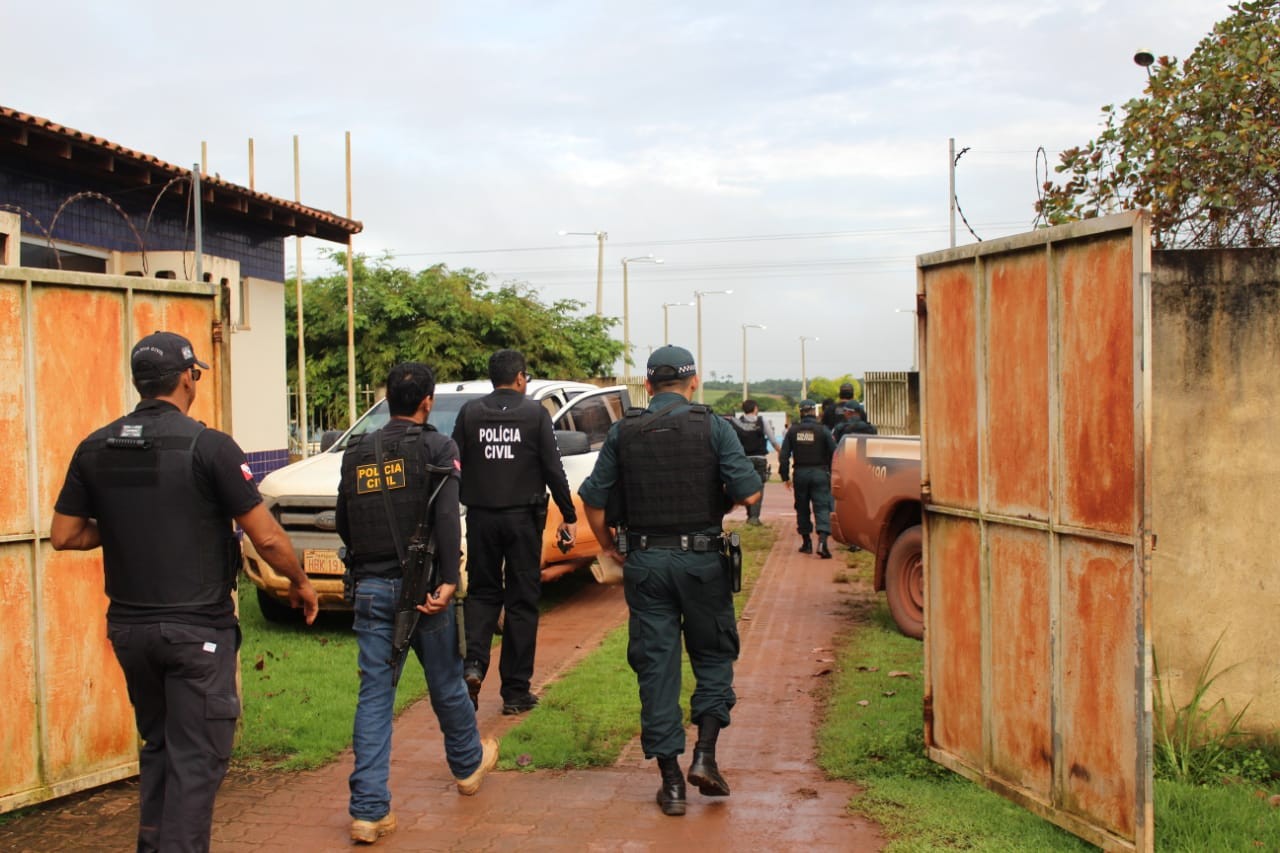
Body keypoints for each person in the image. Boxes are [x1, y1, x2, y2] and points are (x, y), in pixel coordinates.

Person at [50, 330, 320, 853]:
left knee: (161, 747)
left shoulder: (95, 446)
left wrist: (127, 523)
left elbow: (65, 534)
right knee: (197, 760)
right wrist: (301, 582)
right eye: (194, 373)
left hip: (130, 633)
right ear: (187, 378)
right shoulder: (209, 447)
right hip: (197, 633)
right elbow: (265, 537)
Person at [578, 345, 761, 817]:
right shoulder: (714, 427)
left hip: (645, 564)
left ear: (648, 384)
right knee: (713, 655)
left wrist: (609, 546)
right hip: (702, 564)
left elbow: (593, 501)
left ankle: (672, 784)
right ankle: (705, 755)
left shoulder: (624, 431)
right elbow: (750, 493)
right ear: (693, 382)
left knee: (656, 667)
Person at [336, 362, 498, 845]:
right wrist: (448, 579)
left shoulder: (356, 452)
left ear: (388, 399)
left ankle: (368, 812)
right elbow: (447, 518)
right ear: (427, 402)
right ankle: (468, 765)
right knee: (446, 681)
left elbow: (344, 519)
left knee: (374, 697)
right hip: (424, 590)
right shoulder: (437, 447)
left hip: (370, 588)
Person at [452, 349, 576, 715]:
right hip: (523, 520)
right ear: (520, 378)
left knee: (482, 593)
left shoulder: (470, 413)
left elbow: (454, 464)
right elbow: (553, 468)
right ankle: (515, 692)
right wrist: (568, 514)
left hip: (481, 518)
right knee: (521, 601)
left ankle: (474, 665)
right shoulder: (535, 414)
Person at [778, 399, 837, 559]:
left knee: (802, 507)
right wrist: (833, 473)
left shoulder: (793, 431)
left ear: (800, 412)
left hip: (800, 474)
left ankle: (806, 543)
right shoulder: (823, 430)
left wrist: (785, 476)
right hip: (820, 473)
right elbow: (835, 453)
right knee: (822, 507)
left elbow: (784, 456)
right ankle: (823, 542)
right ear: (814, 412)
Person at [730, 399, 780, 526]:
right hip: (759, 458)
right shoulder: (762, 422)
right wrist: (780, 452)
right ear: (755, 409)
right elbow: (773, 440)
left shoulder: (737, 422)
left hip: (743, 459)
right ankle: (754, 517)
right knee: (758, 487)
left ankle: (750, 515)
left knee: (747, 486)